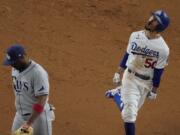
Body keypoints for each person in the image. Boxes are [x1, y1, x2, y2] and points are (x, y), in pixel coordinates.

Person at [105, 10, 170, 135]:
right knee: (129, 116)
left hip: (146, 84)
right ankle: (119, 94)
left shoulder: (163, 49)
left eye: (155, 20)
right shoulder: (135, 35)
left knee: (129, 112)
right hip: (130, 77)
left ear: (160, 27)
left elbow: (158, 70)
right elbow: (127, 54)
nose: (151, 20)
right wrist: (118, 72)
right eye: (152, 17)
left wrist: (154, 90)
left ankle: (117, 94)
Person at [3, 44, 55, 135]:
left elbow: (41, 99)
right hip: (20, 115)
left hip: (38, 117)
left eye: (14, 62)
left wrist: (29, 123)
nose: (12, 65)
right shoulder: (15, 69)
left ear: (22, 57)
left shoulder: (38, 73)